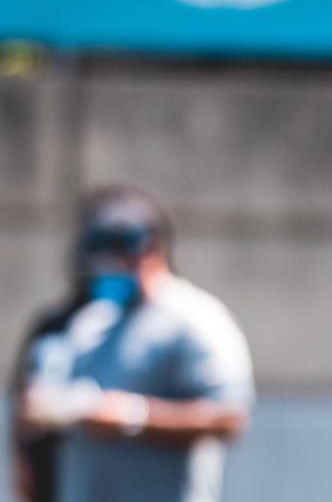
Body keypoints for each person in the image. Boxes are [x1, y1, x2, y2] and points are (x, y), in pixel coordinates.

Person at [15, 184, 255, 502]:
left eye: (121, 255)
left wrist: (134, 416)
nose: (109, 268)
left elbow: (229, 417)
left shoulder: (196, 319)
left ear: (151, 247)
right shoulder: (92, 320)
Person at [7, 255, 93, 502]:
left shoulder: (134, 322)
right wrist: (20, 465)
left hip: (100, 459)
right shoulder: (53, 321)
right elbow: (22, 400)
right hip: (50, 459)